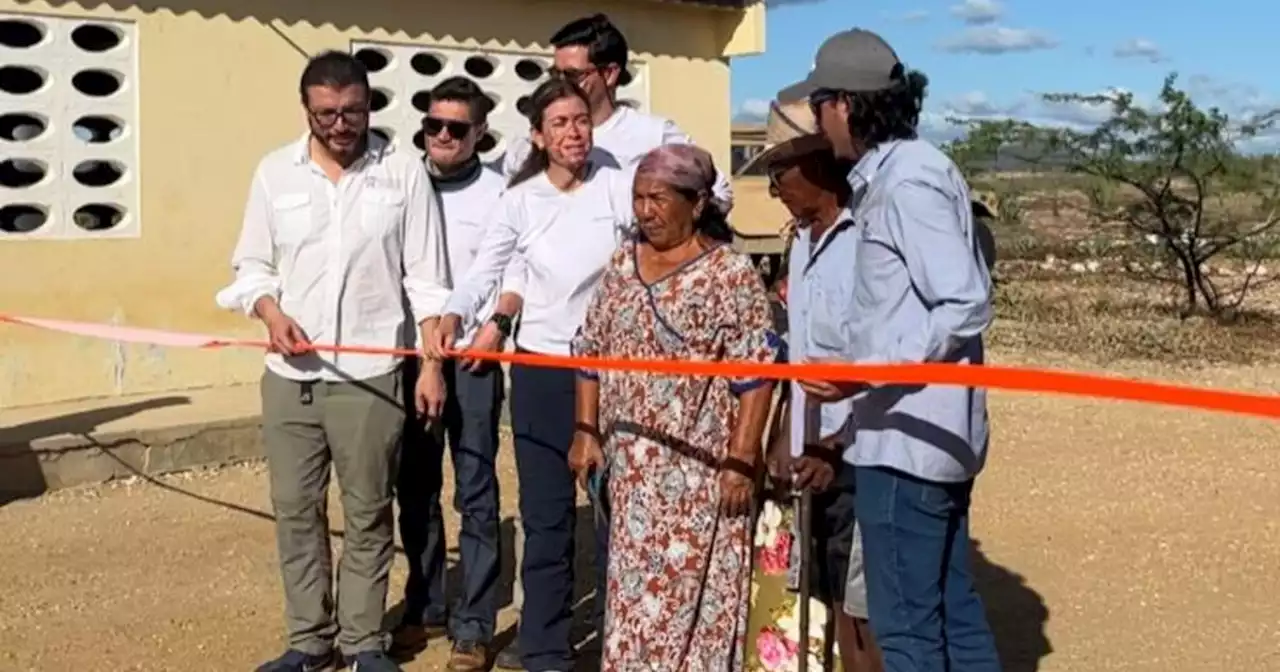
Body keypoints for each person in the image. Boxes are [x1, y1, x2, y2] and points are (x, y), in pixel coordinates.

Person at [215, 50, 450, 672]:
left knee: (369, 510)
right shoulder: (274, 174)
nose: (339, 125)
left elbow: (427, 276)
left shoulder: (403, 172)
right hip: (291, 379)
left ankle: (364, 642)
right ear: (306, 111)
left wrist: (430, 364)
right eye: (326, 114)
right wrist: (270, 312)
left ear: (369, 105)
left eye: (351, 111)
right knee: (295, 509)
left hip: (370, 377)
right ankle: (310, 640)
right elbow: (251, 266)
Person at [780, 29, 1001, 672]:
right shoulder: (900, 175)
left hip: (909, 444)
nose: (820, 124)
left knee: (905, 631)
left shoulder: (908, 182)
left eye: (820, 106)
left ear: (845, 104)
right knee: (951, 613)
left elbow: (963, 301)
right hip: (918, 436)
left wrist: (860, 377)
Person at [427, 77, 635, 672]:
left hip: (613, 372)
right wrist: (454, 315)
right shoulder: (519, 201)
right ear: (539, 137)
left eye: (581, 121)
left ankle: (626, 643)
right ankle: (545, 649)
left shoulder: (619, 190)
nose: (575, 133)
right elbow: (486, 269)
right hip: (543, 373)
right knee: (546, 521)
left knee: (618, 517)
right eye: (561, 124)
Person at [567, 144, 780, 670]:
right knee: (630, 599)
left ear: (698, 202)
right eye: (638, 198)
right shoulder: (623, 263)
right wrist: (585, 430)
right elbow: (589, 350)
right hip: (632, 475)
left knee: (697, 602)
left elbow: (756, 376)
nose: (645, 211)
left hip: (702, 477)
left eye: (658, 198)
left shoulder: (729, 274)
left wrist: (740, 460)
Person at [390, 75, 508, 672]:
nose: (441, 135)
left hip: (475, 361)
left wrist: (493, 331)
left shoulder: (501, 190)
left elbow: (517, 270)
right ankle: (425, 603)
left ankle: (474, 623)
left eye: (456, 128)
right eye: (432, 124)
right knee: (414, 487)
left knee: (476, 488)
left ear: (480, 133)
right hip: (411, 358)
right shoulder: (399, 183)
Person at [762, 125, 884, 672]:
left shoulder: (870, 241)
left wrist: (836, 444)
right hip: (809, 455)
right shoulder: (802, 241)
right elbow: (798, 355)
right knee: (823, 595)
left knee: (865, 609)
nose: (776, 188)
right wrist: (781, 436)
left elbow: (884, 358)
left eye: (781, 174)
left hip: (859, 455)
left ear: (818, 168)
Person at [502, 13, 733, 211]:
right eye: (555, 74)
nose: (561, 84)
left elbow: (720, 192)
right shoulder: (529, 143)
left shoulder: (653, 135)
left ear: (610, 74)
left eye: (573, 75)